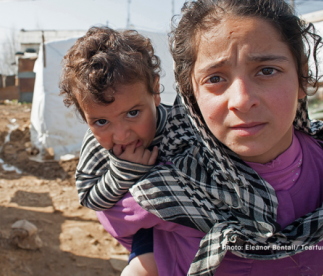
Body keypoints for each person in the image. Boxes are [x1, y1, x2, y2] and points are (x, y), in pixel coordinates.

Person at [97, 0, 323, 275]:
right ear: (191, 96)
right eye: (215, 78)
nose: (242, 100)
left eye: (266, 70)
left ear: (302, 77)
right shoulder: (167, 188)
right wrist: (147, 256)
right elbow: (115, 220)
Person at [59, 26, 193, 275]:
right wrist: (124, 172)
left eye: (133, 113)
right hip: (150, 237)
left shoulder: (182, 123)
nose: (121, 135)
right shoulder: (95, 146)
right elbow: (89, 196)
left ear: (155, 92)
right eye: (101, 122)